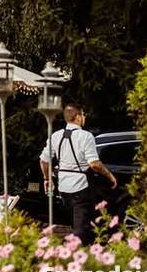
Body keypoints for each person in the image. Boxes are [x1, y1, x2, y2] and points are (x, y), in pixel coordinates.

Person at [39, 104, 117, 244]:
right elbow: (94, 164)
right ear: (78, 117)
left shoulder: (55, 136)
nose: (85, 117)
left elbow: (44, 161)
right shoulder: (86, 136)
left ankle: (84, 246)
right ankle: (78, 251)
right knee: (81, 230)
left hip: (63, 188)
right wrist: (110, 176)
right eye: (84, 114)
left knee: (78, 224)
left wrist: (47, 179)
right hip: (81, 187)